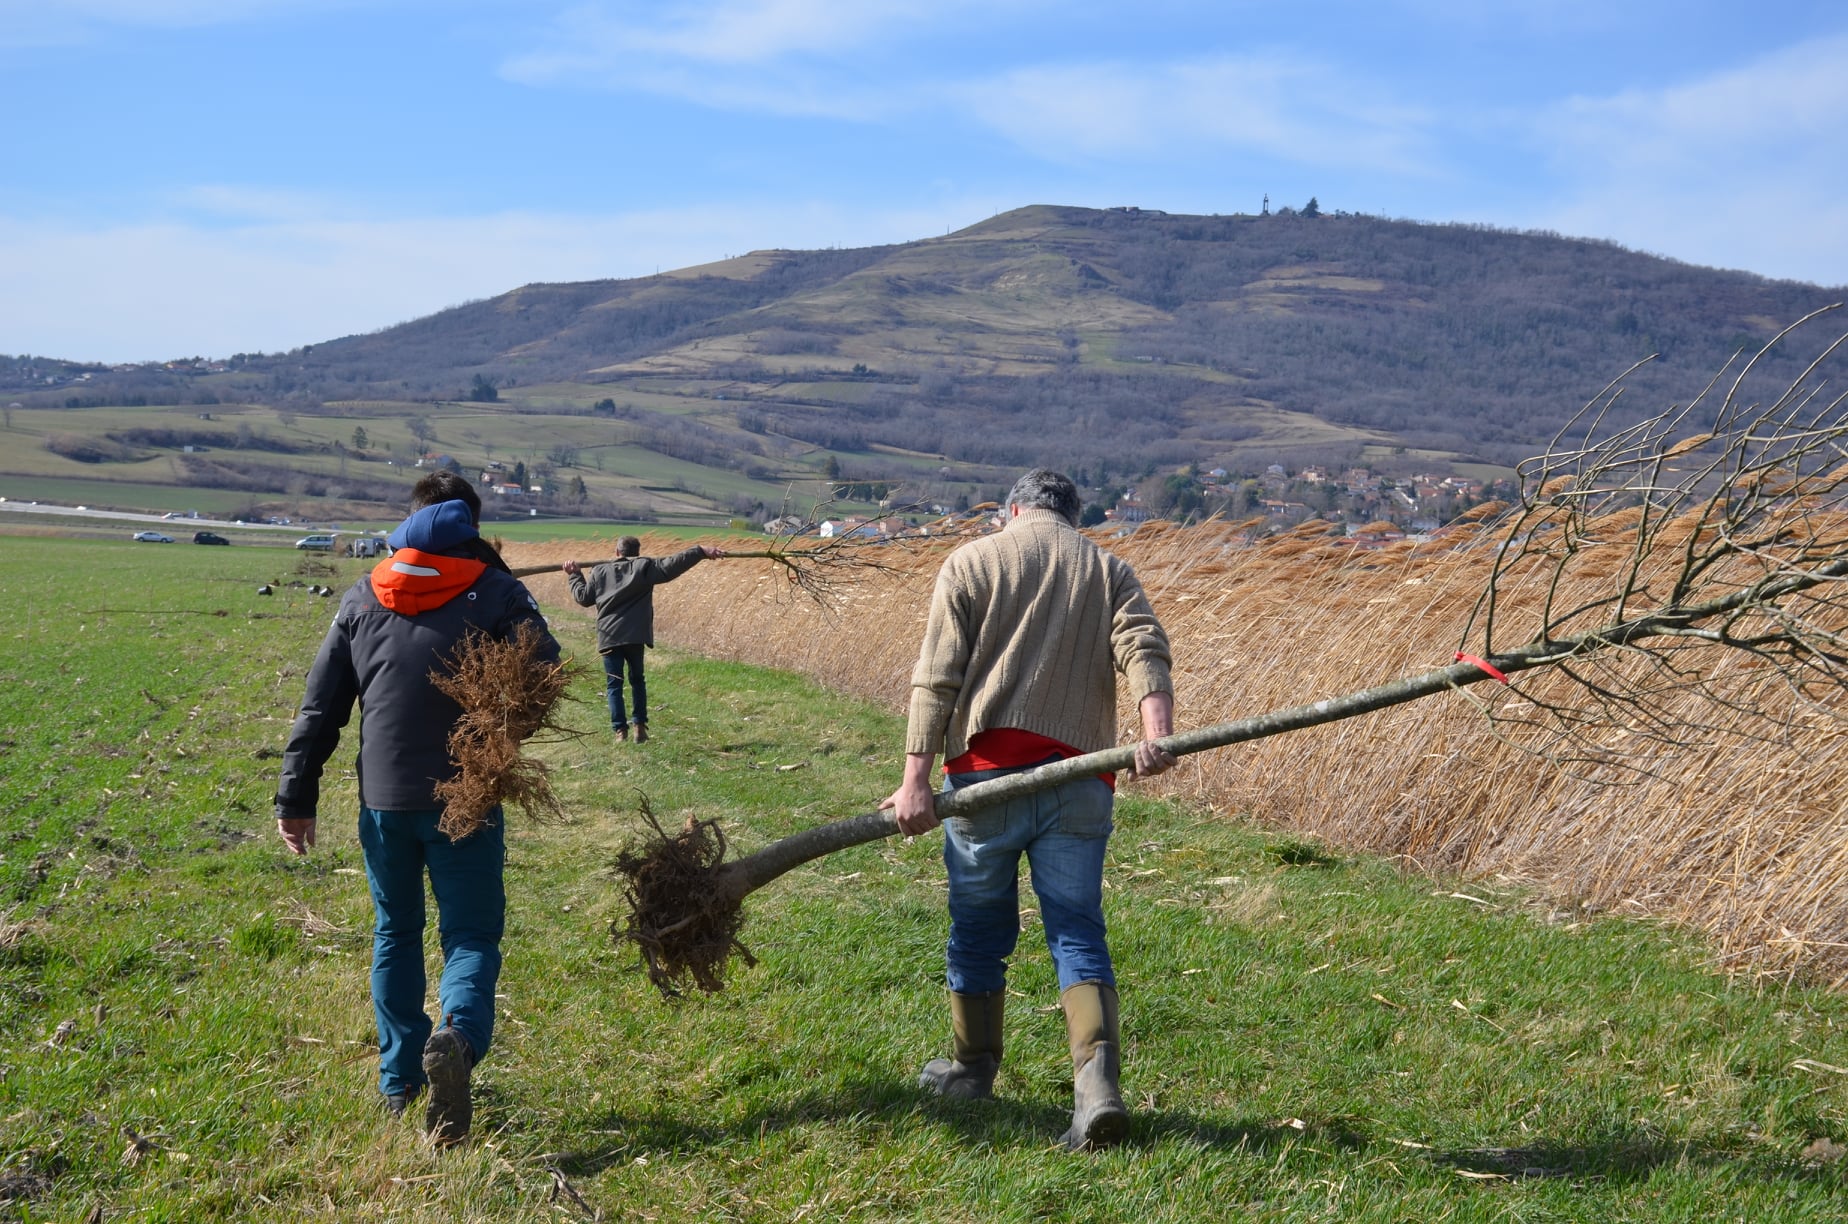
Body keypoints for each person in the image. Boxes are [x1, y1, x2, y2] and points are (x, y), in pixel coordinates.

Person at [880, 468, 1176, 1152]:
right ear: (1073, 516)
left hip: (984, 786)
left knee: (979, 931)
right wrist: (1155, 736)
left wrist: (914, 783)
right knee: (1076, 931)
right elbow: (1145, 649)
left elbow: (936, 679)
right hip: (1078, 783)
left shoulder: (971, 562)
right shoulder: (1109, 569)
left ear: (1014, 509)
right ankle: (1097, 1092)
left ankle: (971, 1069)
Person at [273, 471, 561, 1145]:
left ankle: (400, 1083)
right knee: (470, 936)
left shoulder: (362, 594)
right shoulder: (495, 592)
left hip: (384, 800)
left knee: (395, 932)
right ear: (470, 525)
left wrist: (296, 795)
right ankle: (457, 1039)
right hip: (467, 795)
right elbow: (544, 671)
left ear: (408, 521)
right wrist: (508, 734)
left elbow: (322, 708)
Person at [563, 536, 723, 742]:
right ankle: (640, 727)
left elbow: (584, 598)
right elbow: (673, 565)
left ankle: (620, 731)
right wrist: (700, 550)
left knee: (614, 683)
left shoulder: (599, 571)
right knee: (637, 681)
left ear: (617, 552)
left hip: (610, 636)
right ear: (638, 552)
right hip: (635, 635)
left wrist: (575, 575)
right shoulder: (644, 567)